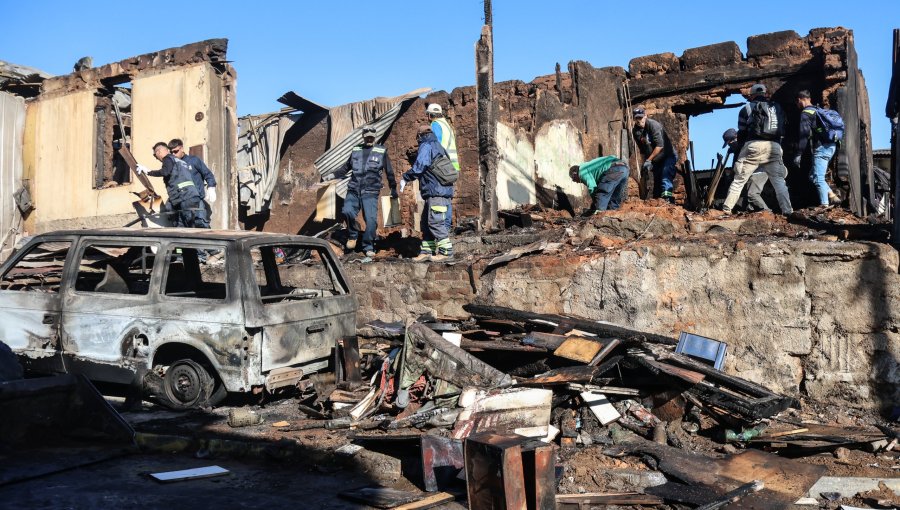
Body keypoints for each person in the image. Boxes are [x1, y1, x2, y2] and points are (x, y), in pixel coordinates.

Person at [721, 84, 793, 215]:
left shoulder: (746, 108)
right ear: (765, 93)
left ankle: (726, 209)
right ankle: (788, 210)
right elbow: (783, 129)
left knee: (739, 180)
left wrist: (741, 152)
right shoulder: (776, 107)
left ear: (752, 95)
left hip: (753, 145)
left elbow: (741, 132)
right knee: (779, 182)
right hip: (774, 147)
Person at [335, 126, 398, 257]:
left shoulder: (381, 151)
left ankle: (368, 245)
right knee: (347, 211)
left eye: (371, 136)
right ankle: (353, 235)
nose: (369, 138)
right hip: (353, 189)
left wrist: (393, 187)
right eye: (367, 136)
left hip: (370, 191)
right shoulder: (356, 150)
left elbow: (389, 171)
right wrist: (332, 176)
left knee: (371, 221)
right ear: (363, 136)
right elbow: (346, 168)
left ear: (374, 136)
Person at [401, 125, 454, 262]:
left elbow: (420, 166)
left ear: (419, 136)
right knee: (426, 223)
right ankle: (426, 251)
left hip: (436, 192)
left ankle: (446, 253)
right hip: (440, 192)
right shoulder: (439, 146)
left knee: (435, 222)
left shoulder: (426, 145)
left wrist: (406, 177)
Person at [136, 142, 203, 228]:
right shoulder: (179, 161)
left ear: (159, 152)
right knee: (183, 224)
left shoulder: (167, 159)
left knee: (190, 226)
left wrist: (148, 172)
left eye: (155, 155)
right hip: (190, 196)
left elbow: (165, 172)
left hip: (183, 196)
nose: (156, 158)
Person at [794, 90, 840, 206]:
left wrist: (798, 153)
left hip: (821, 148)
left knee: (818, 178)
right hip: (831, 146)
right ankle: (832, 196)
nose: (797, 104)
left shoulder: (806, 113)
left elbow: (803, 135)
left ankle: (824, 205)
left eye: (797, 102)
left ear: (800, 99)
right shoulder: (817, 110)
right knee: (813, 176)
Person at [631, 107, 677, 203]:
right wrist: (645, 164)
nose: (639, 121)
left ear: (645, 116)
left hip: (667, 155)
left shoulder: (653, 125)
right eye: (637, 118)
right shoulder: (636, 131)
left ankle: (668, 200)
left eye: (641, 117)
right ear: (634, 119)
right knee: (657, 182)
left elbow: (660, 146)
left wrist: (649, 160)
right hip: (656, 160)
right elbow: (642, 150)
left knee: (665, 175)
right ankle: (658, 201)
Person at [168, 139, 216, 228]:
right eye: (171, 152)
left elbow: (207, 174)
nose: (173, 154)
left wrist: (211, 187)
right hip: (180, 203)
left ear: (182, 148)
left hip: (196, 202)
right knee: (181, 231)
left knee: (200, 227)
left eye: (175, 151)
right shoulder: (173, 165)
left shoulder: (193, 160)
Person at [427, 103, 459, 231]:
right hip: (452, 167)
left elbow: (436, 145)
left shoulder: (435, 125)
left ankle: (441, 231)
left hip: (442, 167)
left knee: (439, 198)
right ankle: (446, 229)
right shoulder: (447, 125)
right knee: (447, 198)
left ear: (429, 115)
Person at [722, 128, 770, 212]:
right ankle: (747, 211)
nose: (730, 145)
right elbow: (736, 163)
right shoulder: (738, 148)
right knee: (746, 194)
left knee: (752, 194)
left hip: (760, 171)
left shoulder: (746, 144)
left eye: (730, 143)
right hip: (751, 173)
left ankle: (766, 211)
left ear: (735, 138)